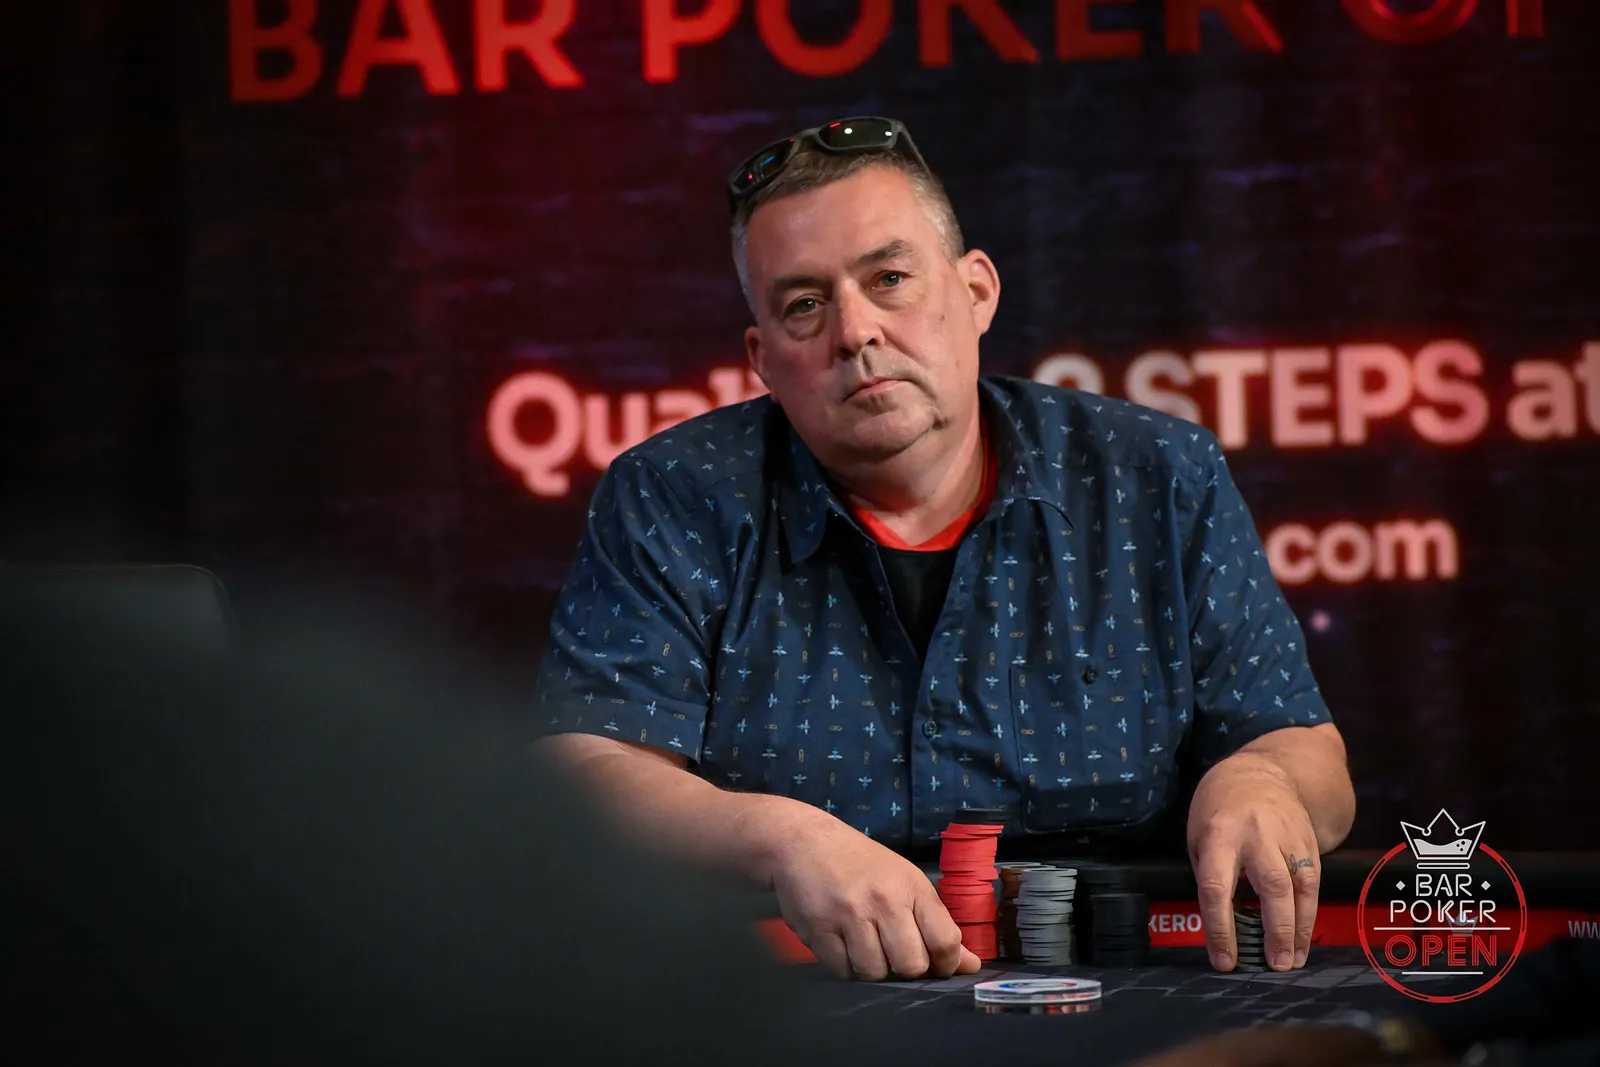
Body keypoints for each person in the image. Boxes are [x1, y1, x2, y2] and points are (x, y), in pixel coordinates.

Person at [531, 116, 1355, 983]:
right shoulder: (673, 494)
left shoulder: (1156, 474)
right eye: (804, 304)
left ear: (977, 292)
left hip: (1129, 988)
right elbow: (587, 770)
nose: (855, 331)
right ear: (762, 358)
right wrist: (783, 837)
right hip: (795, 997)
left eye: (889, 278)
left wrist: (1264, 778)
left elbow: (1307, 751)